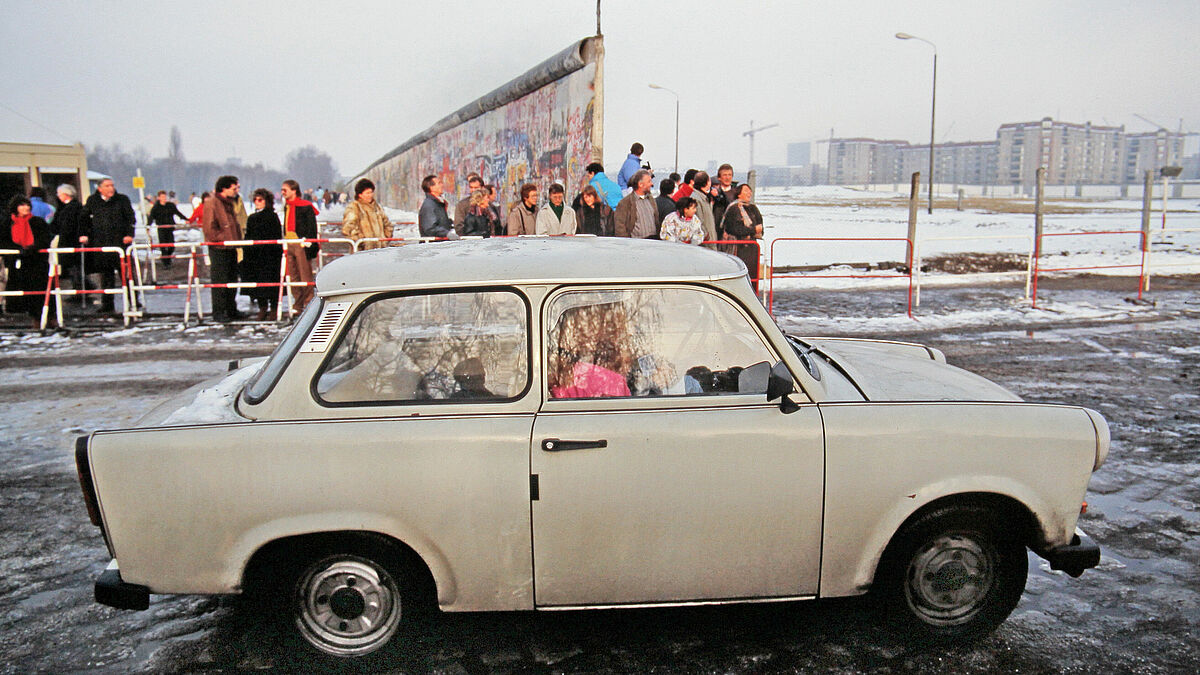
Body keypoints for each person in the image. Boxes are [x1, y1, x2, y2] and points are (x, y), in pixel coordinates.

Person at [81, 178, 135, 313]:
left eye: (112, 185)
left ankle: (134, 300)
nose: (111, 188)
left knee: (127, 274)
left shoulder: (122, 200)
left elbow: (131, 218)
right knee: (105, 275)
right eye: (107, 186)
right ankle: (107, 304)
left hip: (120, 243)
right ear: (99, 188)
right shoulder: (92, 201)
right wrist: (84, 234)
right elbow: (84, 219)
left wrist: (129, 234)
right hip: (101, 244)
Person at [1, 196, 53, 324]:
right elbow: (3, 240)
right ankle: (31, 317)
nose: (26, 208)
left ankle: (47, 318)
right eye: (22, 205)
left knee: (40, 290)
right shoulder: (7, 223)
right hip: (17, 262)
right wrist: (17, 250)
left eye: (27, 205)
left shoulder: (38, 222)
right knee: (23, 292)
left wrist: (32, 248)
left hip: (37, 261)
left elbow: (45, 238)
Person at [200, 176, 244, 322]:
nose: (236, 191)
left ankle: (231, 309)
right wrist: (222, 238)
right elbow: (208, 228)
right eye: (234, 188)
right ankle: (218, 312)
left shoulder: (229, 203)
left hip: (230, 247)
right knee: (220, 280)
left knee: (231, 279)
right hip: (219, 248)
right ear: (224, 188)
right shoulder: (212, 203)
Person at [240, 188, 283, 321]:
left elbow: (276, 236)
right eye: (255, 200)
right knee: (259, 284)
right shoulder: (252, 217)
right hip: (255, 255)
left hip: (270, 255)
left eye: (260, 200)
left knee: (271, 283)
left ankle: (273, 309)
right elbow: (248, 236)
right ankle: (263, 308)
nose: (257, 202)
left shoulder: (271, 216)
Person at [281, 179, 320, 313]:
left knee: (305, 274)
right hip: (289, 242)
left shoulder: (305, 206)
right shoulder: (287, 206)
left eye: (285, 190)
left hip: (301, 243)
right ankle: (297, 303)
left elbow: (311, 227)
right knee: (292, 275)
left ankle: (308, 302)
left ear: (294, 190)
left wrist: (310, 243)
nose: (282, 193)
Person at [720, 183, 764, 290]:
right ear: (738, 194)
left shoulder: (753, 208)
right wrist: (752, 230)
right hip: (738, 248)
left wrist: (753, 231)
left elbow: (761, 228)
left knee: (752, 277)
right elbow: (734, 228)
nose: (748, 193)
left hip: (752, 248)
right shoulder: (734, 208)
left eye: (750, 191)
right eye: (745, 191)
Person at [53, 184, 87, 300]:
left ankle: (80, 289)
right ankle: (81, 287)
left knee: (74, 267)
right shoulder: (66, 207)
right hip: (68, 240)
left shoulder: (72, 208)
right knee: (72, 267)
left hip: (70, 241)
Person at [341, 178, 393, 250]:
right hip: (362, 252)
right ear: (360, 194)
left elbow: (387, 224)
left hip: (380, 250)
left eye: (371, 192)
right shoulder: (354, 207)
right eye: (367, 193)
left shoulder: (377, 207)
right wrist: (361, 241)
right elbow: (348, 228)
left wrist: (386, 237)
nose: (370, 195)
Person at [147, 190, 188, 268]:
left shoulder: (170, 205)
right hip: (161, 229)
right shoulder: (156, 207)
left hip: (170, 228)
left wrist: (186, 219)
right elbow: (151, 217)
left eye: (165, 197)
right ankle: (165, 263)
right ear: (159, 198)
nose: (164, 198)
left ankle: (167, 258)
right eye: (162, 197)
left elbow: (178, 213)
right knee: (163, 246)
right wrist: (148, 226)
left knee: (171, 246)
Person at [614, 170, 658, 239]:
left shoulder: (651, 200)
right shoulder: (625, 203)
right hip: (636, 245)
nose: (651, 184)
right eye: (649, 181)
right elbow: (620, 227)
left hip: (653, 242)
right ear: (640, 184)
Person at [417, 174, 456, 239]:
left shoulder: (437, 203)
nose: (442, 185)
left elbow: (440, 222)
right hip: (433, 245)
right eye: (439, 183)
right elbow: (430, 228)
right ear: (431, 187)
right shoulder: (429, 205)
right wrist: (446, 233)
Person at [689, 171, 718, 248]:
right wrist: (706, 236)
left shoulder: (705, 198)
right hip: (705, 243)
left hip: (710, 240)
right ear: (707, 183)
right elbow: (698, 220)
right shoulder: (696, 199)